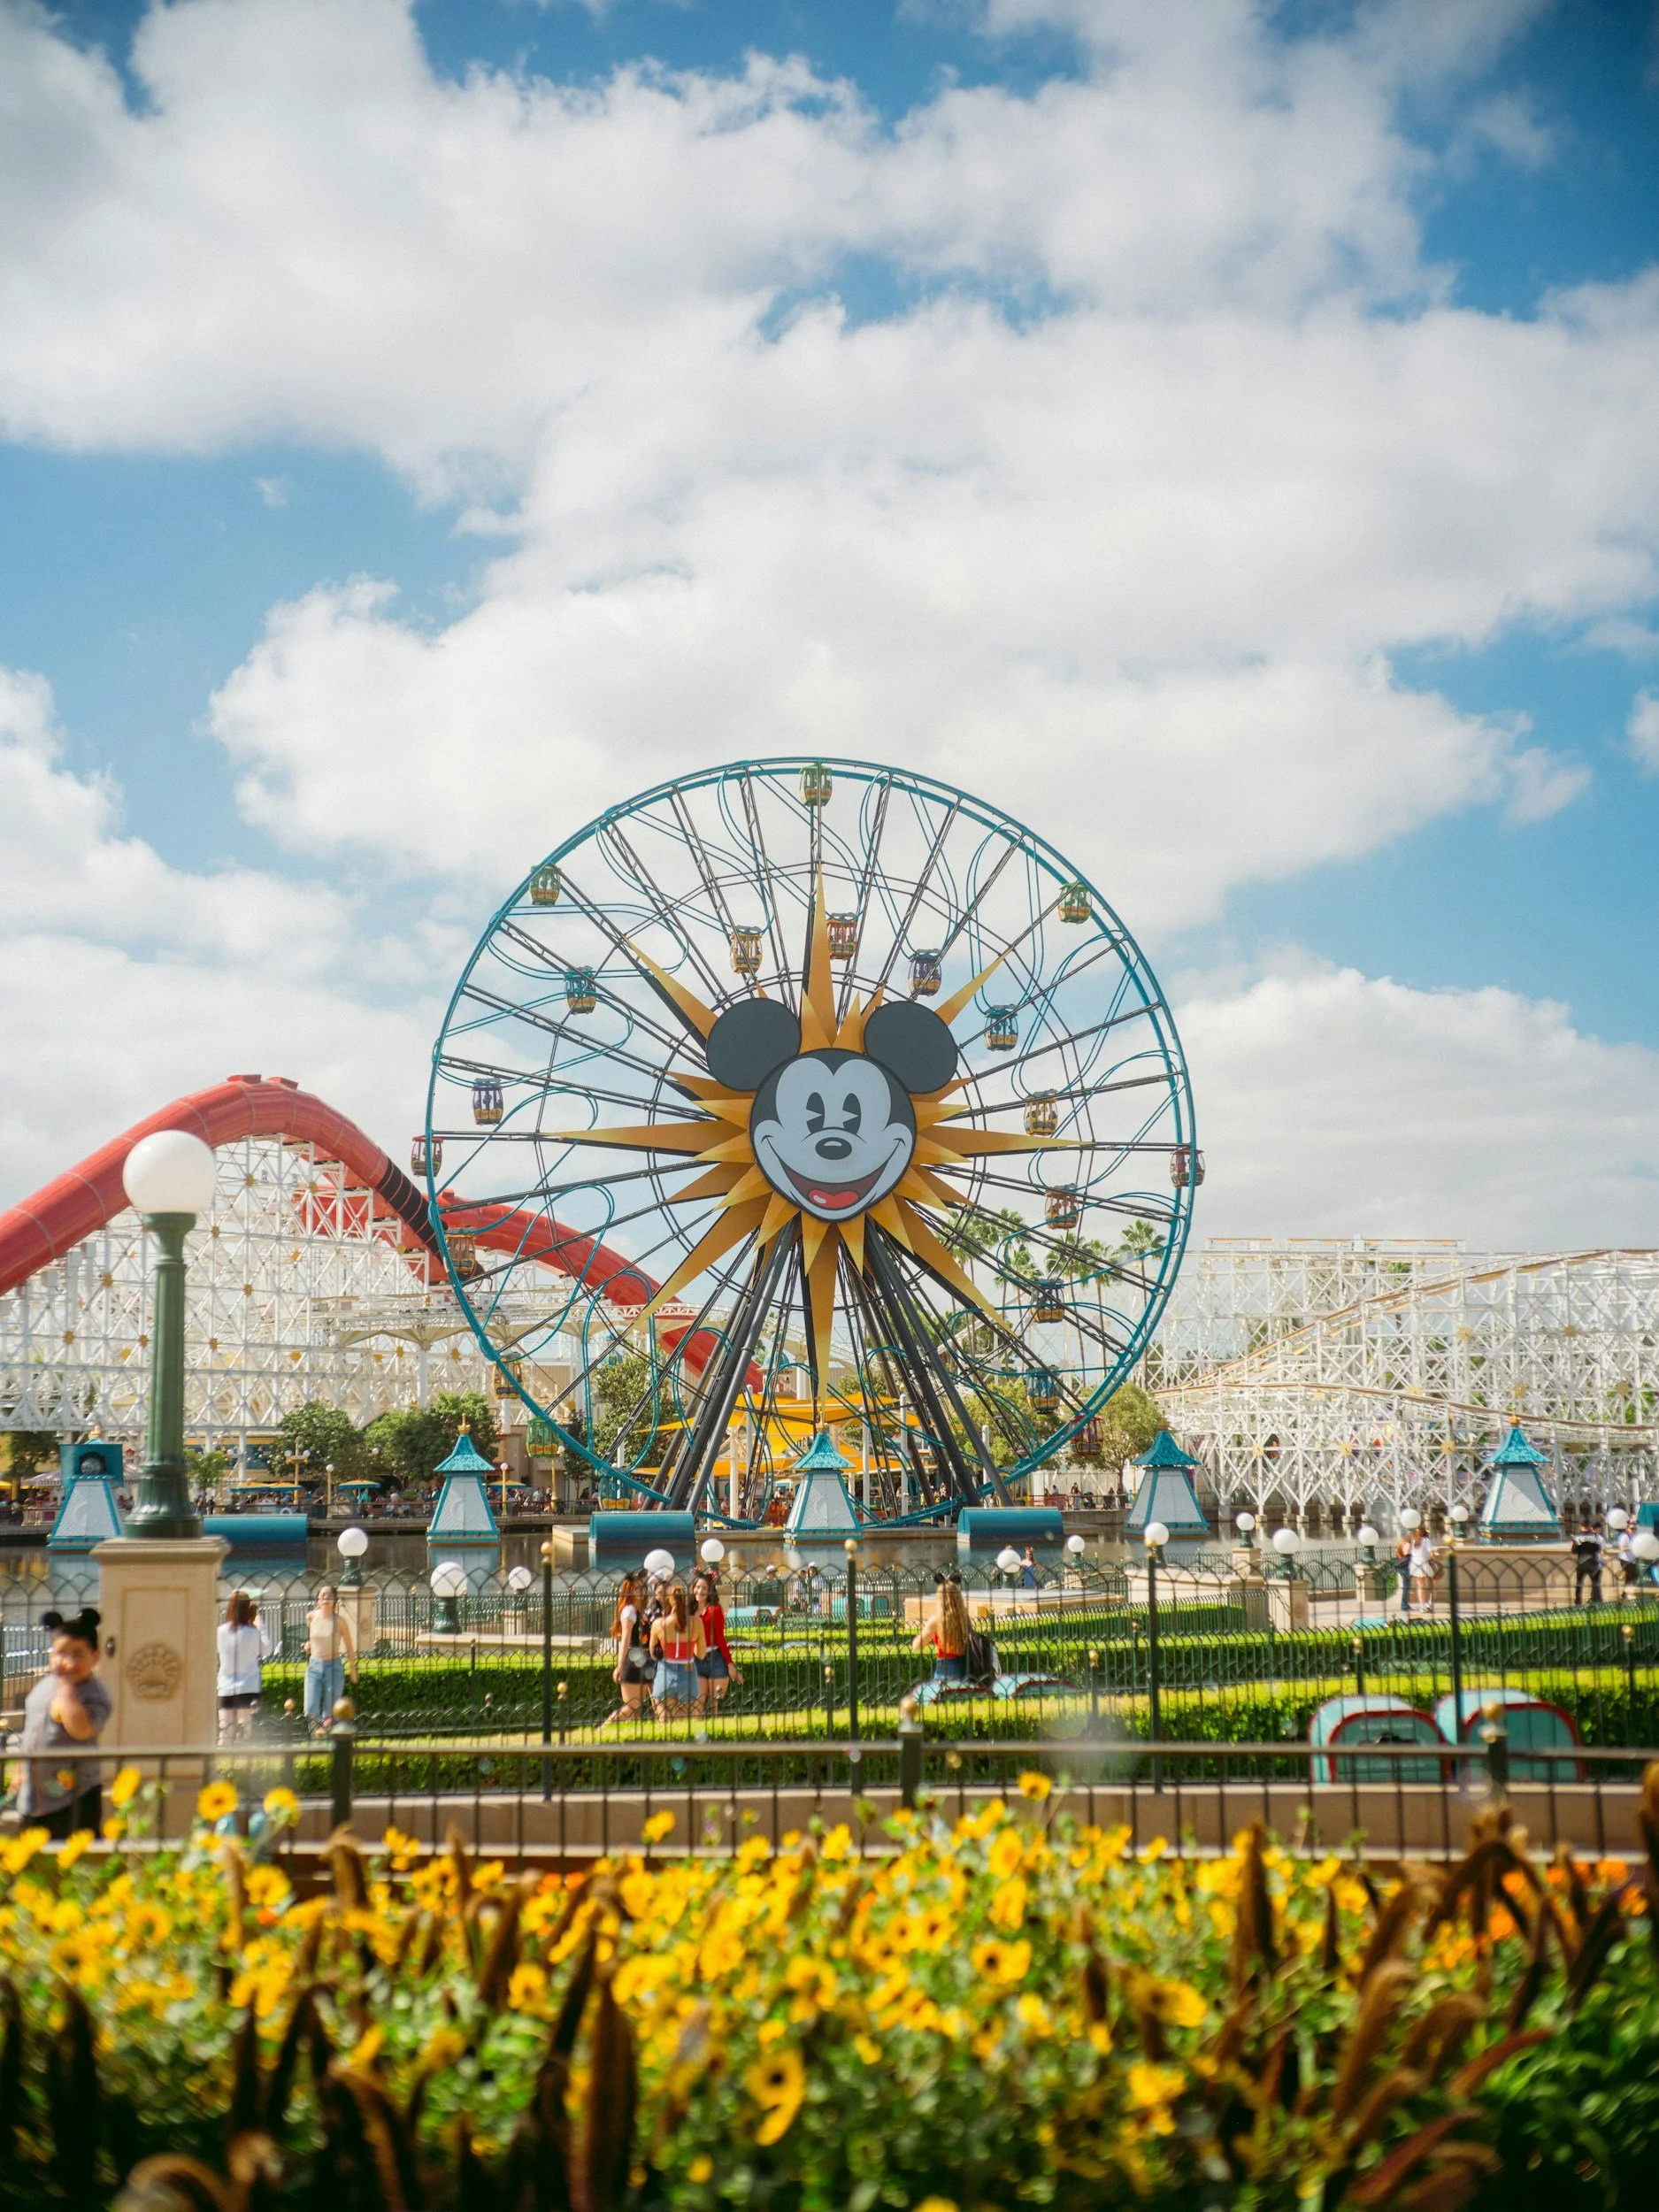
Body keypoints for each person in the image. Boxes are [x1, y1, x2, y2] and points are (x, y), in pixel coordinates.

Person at [17, 1608, 111, 1839]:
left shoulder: (94, 1694)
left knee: (75, 1862)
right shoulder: (45, 1685)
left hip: (74, 1795)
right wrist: (21, 1769)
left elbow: (81, 1730)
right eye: (61, 1653)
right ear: (51, 1656)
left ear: (95, 1656)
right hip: (34, 1795)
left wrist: (67, 1688)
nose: (67, 1661)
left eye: (77, 1654)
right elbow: (31, 1732)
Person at [217, 1590, 272, 1741]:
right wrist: (260, 1626)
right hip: (248, 1686)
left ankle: (221, 1763)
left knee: (225, 1732)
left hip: (226, 1686)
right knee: (244, 1731)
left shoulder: (221, 1632)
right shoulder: (251, 1632)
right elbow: (267, 1650)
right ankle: (244, 1761)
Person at [303, 1584, 357, 1735]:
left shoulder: (340, 1621)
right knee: (310, 1709)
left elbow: (349, 1646)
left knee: (330, 1711)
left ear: (334, 1600)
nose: (326, 1598)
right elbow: (313, 1638)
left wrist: (353, 1669)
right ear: (318, 1600)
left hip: (333, 1668)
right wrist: (309, 1644)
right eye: (323, 1595)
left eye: (329, 1595)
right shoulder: (311, 1617)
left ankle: (327, 1743)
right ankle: (315, 1739)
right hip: (314, 1666)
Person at [601, 1572, 649, 1727]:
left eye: (642, 1588)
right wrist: (620, 1665)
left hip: (642, 1659)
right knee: (631, 1707)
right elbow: (626, 1640)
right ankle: (603, 1729)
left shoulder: (638, 1609)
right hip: (633, 1661)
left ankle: (631, 1741)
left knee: (636, 1709)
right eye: (636, 1588)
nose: (640, 1591)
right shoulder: (629, 1610)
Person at [649, 1584, 705, 1719]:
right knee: (690, 1715)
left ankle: (667, 1739)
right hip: (688, 1670)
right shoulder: (696, 1623)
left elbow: (652, 1653)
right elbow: (701, 1654)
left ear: (669, 1600)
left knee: (663, 1712)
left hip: (666, 1671)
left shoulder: (659, 1624)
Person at [692, 1573, 741, 1716]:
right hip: (696, 1660)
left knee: (715, 1705)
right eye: (697, 1587)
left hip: (715, 1659)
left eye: (704, 1588)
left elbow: (720, 1639)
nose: (700, 1591)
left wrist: (730, 1665)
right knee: (698, 1706)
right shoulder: (689, 1611)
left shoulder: (715, 1610)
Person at [911, 1571, 970, 1683]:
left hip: (945, 1668)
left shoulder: (937, 1620)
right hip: (965, 1665)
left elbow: (917, 1646)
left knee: (943, 1698)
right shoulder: (964, 1618)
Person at [1571, 1522, 1605, 1606]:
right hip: (1592, 1562)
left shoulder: (1577, 1537)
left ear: (1581, 1526)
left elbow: (1574, 1551)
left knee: (1579, 1583)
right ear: (1589, 1526)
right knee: (1595, 1583)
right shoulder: (1594, 1536)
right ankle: (1597, 1602)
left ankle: (1577, 1602)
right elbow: (1598, 1548)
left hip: (1581, 1562)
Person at [1409, 1530, 1438, 1612]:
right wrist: (1435, 1558)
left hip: (1415, 1565)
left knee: (1420, 1586)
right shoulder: (1426, 1540)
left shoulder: (1414, 1541)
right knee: (1435, 1583)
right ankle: (1430, 1603)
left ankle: (1423, 1606)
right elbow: (1432, 1554)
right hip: (1424, 1564)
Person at [1394, 1532, 1415, 1614]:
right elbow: (1407, 1556)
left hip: (1403, 1567)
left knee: (1407, 1587)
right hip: (1405, 1568)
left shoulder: (1402, 1543)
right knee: (1406, 1587)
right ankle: (1404, 1606)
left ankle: (1406, 1604)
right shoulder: (1408, 1545)